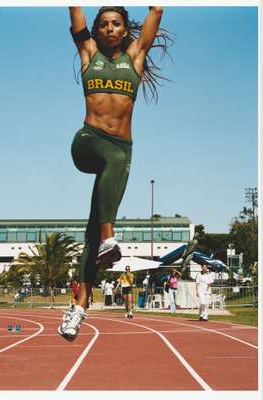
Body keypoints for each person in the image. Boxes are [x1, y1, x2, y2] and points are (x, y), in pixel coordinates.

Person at [58, 5, 171, 340]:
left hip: (120, 151)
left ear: (124, 30)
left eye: (115, 24)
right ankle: (111, 238)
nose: (109, 29)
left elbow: (157, 10)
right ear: (96, 30)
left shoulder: (135, 56)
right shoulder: (88, 51)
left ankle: (78, 308)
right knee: (111, 159)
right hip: (88, 143)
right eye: (103, 24)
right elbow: (74, 10)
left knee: (92, 231)